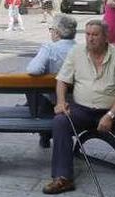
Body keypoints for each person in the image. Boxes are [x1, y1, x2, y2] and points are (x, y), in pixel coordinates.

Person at [43, 19, 115, 197]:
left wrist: (110, 115)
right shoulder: (76, 53)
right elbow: (62, 80)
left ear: (105, 37)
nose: (90, 39)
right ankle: (63, 178)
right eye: (87, 34)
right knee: (61, 121)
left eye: (95, 35)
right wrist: (61, 102)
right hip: (83, 109)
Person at [26, 14, 77, 146]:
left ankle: (45, 134)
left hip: (54, 102)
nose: (51, 32)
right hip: (78, 100)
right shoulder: (81, 49)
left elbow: (33, 70)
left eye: (51, 29)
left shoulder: (50, 48)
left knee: (33, 88)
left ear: (57, 32)